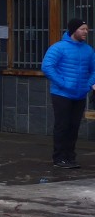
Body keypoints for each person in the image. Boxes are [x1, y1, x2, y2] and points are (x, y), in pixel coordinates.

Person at [40, 17, 95, 168]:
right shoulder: (59, 48)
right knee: (62, 126)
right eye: (82, 29)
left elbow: (94, 70)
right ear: (73, 30)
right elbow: (47, 66)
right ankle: (59, 158)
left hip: (80, 94)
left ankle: (70, 157)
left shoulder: (88, 50)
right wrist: (63, 84)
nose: (86, 31)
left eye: (87, 29)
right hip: (61, 94)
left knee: (74, 126)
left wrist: (87, 84)